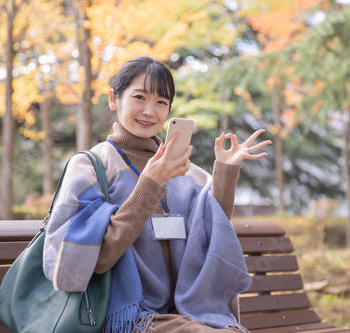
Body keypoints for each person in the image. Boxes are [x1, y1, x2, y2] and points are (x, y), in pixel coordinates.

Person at [43, 55, 272, 333]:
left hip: (184, 311)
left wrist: (225, 170)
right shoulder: (92, 166)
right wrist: (151, 183)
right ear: (114, 99)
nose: (150, 112)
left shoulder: (182, 170)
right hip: (125, 316)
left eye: (161, 102)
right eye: (140, 97)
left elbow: (212, 231)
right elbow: (94, 262)